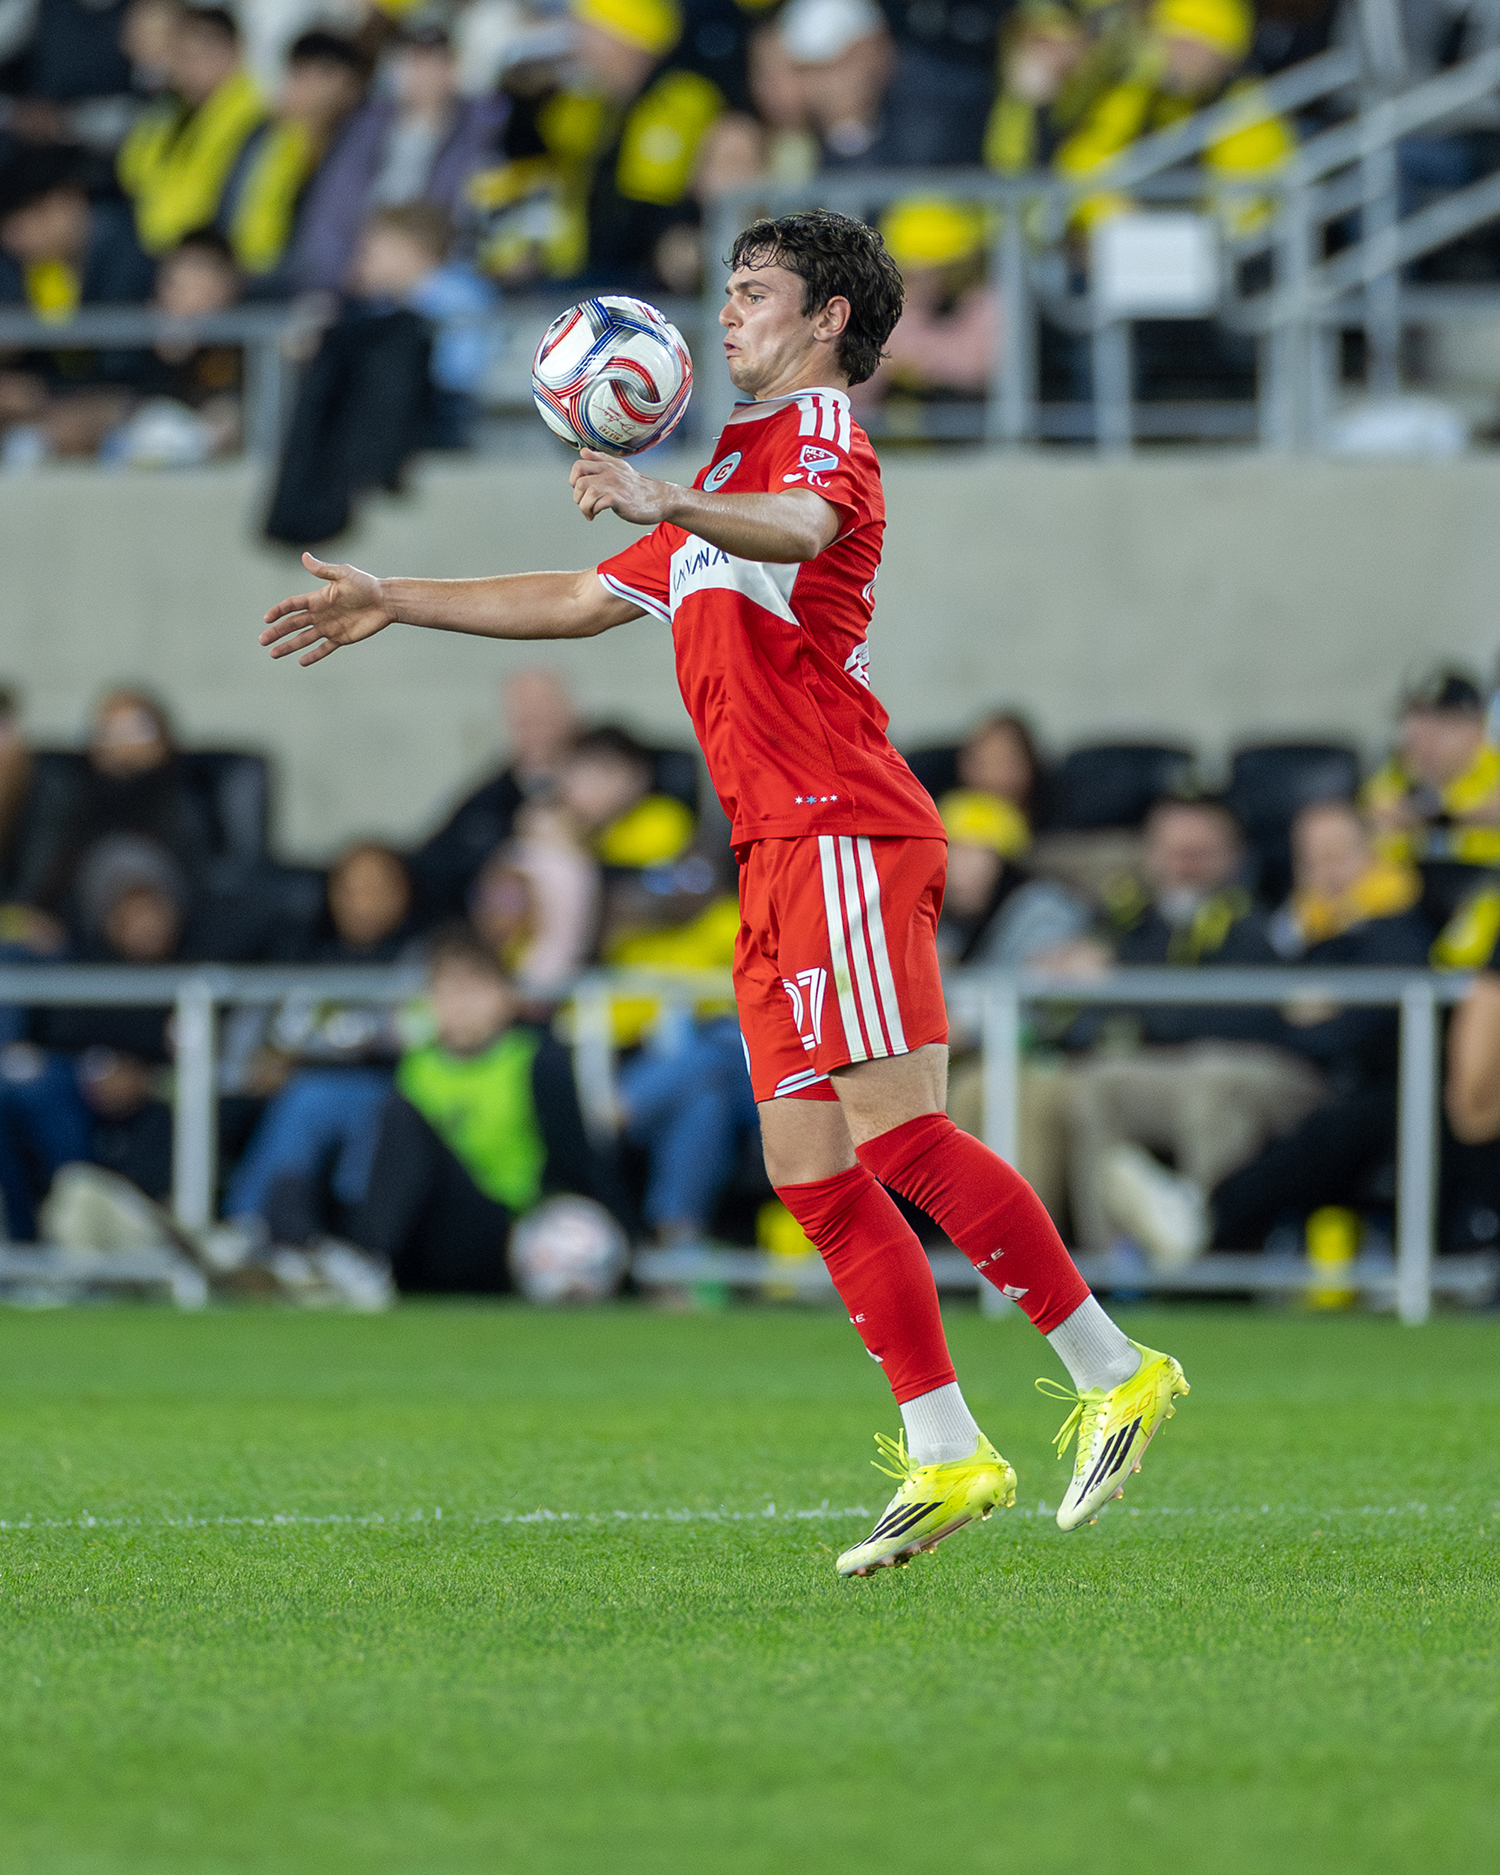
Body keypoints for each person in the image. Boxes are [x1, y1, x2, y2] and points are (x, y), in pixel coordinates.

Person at [261, 205, 1188, 1578]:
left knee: (901, 1136)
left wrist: (669, 499)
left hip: (842, 828)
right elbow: (582, 595)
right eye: (730, 289)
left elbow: (805, 527)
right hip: (774, 848)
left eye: (754, 290)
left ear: (828, 318)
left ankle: (1116, 1368)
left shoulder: (817, 437)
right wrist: (397, 596)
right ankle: (947, 1448)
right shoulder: (728, 466)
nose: (729, 312)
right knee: (808, 1167)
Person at [1107, 800, 1432, 1259]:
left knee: (1277, 1121)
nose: (1326, 873)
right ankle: (1184, 1229)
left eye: (1338, 855)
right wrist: (1290, 1017)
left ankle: (1203, 1232)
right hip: (1314, 1081)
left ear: (1373, 853)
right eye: (1311, 860)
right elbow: (1275, 1019)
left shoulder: (1399, 927)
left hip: (1375, 1093)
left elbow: (1348, 1033)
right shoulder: (1297, 929)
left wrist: (1293, 1021)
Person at [347, 925, 612, 1294]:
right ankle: (348, 1256)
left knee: (402, 1120)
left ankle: (366, 1259)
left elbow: (578, 1160)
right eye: (448, 990)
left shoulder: (534, 1060)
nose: (460, 1005)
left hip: (502, 1227)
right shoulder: (414, 1066)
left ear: (505, 997)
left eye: (473, 989)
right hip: (425, 1227)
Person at [411, 668, 580, 920]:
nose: (536, 727)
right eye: (525, 719)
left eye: (545, 714)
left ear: (571, 713)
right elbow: (433, 867)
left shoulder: (619, 780)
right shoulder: (486, 801)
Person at [116, 6, 264, 257]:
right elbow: (132, 172)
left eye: (201, 56)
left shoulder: (252, 120)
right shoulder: (172, 111)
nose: (190, 69)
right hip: (162, 246)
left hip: (215, 255)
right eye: (183, 57)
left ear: (234, 53)